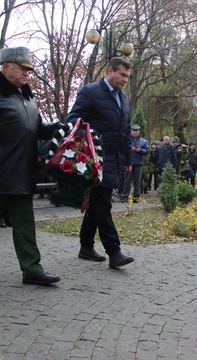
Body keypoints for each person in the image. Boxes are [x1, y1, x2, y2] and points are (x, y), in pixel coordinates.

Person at [0, 46, 62, 285]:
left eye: (29, 69)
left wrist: (57, 128)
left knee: (25, 224)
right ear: (6, 67)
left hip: (22, 171)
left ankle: (31, 269)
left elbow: (36, 130)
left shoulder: (28, 98)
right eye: (22, 68)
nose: (27, 73)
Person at [67, 56, 135, 269]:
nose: (125, 79)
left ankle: (86, 246)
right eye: (122, 74)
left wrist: (128, 159)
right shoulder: (90, 92)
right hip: (95, 159)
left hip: (115, 160)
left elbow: (125, 132)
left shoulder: (123, 99)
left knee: (97, 204)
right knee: (103, 204)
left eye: (127, 76)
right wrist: (89, 142)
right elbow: (73, 121)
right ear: (109, 71)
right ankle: (114, 252)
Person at [121, 124, 149, 203]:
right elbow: (123, 149)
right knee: (127, 180)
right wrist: (131, 149)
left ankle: (136, 197)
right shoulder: (127, 139)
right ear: (131, 131)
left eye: (136, 131)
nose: (135, 132)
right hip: (129, 163)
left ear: (139, 131)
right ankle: (125, 196)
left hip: (138, 163)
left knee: (137, 181)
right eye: (133, 131)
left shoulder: (144, 141)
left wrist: (139, 150)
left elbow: (147, 151)